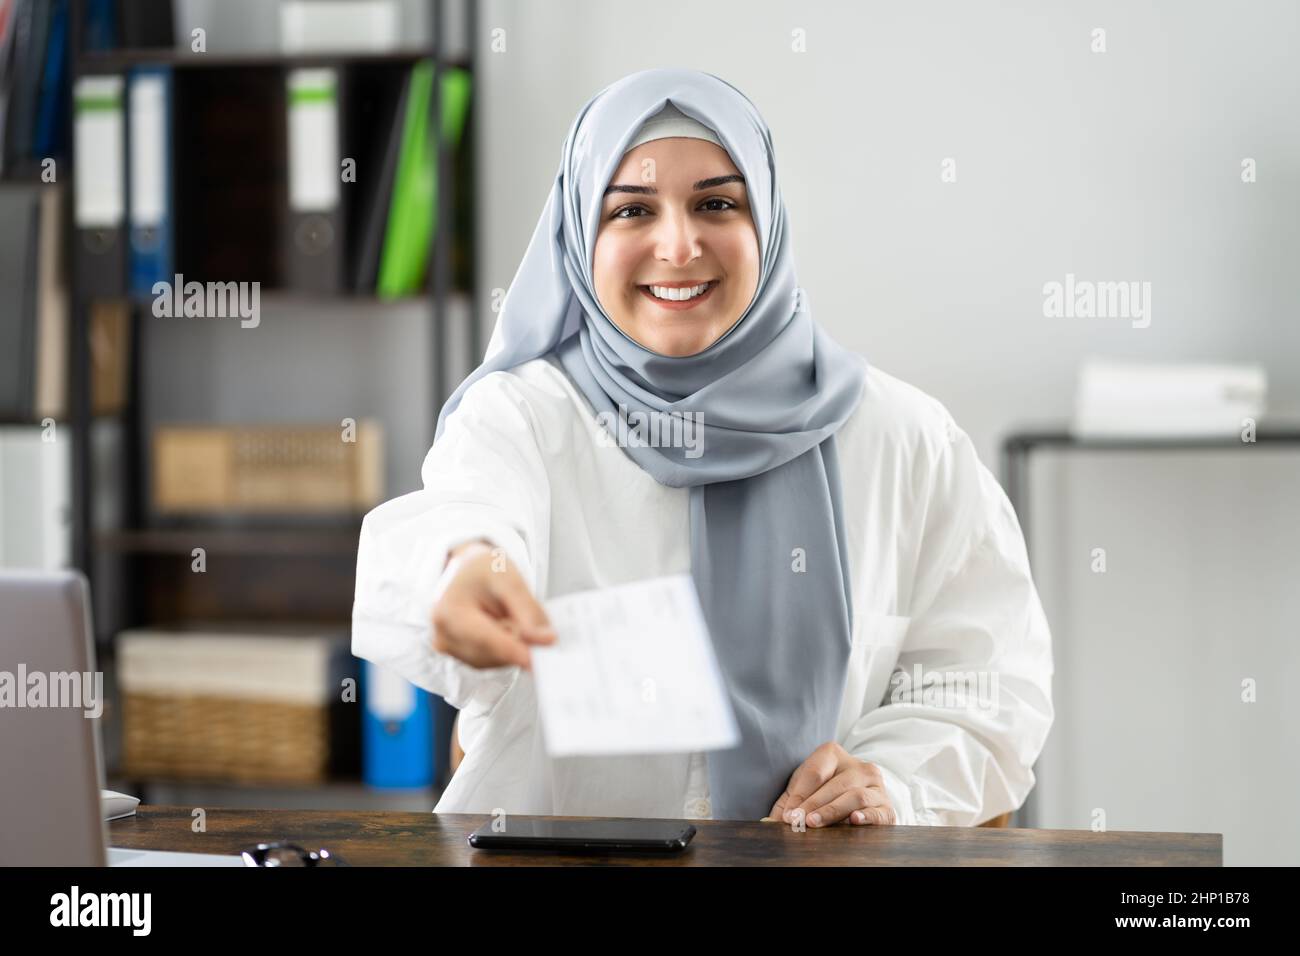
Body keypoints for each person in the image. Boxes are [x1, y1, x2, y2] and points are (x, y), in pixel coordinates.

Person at [351, 67, 1054, 827]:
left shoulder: (905, 438)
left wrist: (895, 782)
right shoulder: (521, 417)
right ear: (579, 234)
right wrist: (464, 570)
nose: (679, 246)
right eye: (632, 210)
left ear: (768, 223)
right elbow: (467, 513)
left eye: (717, 203)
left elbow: (989, 685)